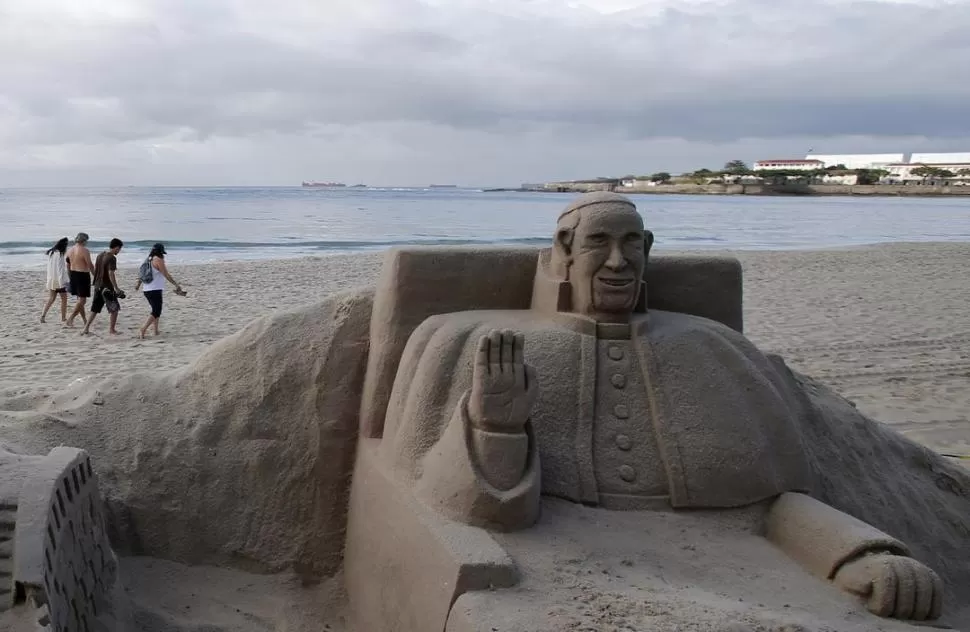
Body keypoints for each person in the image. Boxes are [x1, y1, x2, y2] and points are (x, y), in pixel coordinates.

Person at [376, 192, 943, 622]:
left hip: (732, 568)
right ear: (563, 253)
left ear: (649, 252)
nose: (619, 262)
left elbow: (767, 502)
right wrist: (495, 429)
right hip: (559, 553)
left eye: (633, 244)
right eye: (600, 242)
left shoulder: (710, 349)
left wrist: (854, 553)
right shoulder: (474, 340)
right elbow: (449, 502)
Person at [134, 243, 185, 339]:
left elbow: (141, 274)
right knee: (156, 311)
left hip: (147, 290)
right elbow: (166, 274)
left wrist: (138, 285)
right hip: (155, 289)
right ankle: (143, 329)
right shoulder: (158, 260)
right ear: (161, 252)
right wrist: (176, 284)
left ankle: (155, 330)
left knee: (155, 310)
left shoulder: (148, 259)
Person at [83, 238, 125, 336]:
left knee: (95, 309)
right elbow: (111, 274)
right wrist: (116, 288)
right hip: (107, 288)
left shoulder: (100, 255)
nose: (119, 251)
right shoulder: (112, 258)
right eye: (119, 249)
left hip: (98, 286)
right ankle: (112, 330)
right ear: (116, 247)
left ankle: (86, 328)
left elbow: (96, 269)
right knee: (114, 309)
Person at [65, 232, 94, 328]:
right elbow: (89, 264)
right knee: (82, 300)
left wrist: (70, 277)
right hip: (82, 275)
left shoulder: (70, 250)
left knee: (80, 300)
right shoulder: (84, 250)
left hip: (73, 274)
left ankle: (85, 319)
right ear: (84, 240)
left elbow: (68, 265)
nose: (87, 242)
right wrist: (95, 275)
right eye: (87, 241)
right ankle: (70, 318)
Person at [40, 237, 71, 323]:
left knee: (51, 299)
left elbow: (49, 267)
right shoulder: (60, 255)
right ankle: (63, 318)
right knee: (64, 299)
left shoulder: (51, 253)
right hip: (58, 281)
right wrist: (62, 283)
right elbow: (60, 270)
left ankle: (43, 316)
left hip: (51, 279)